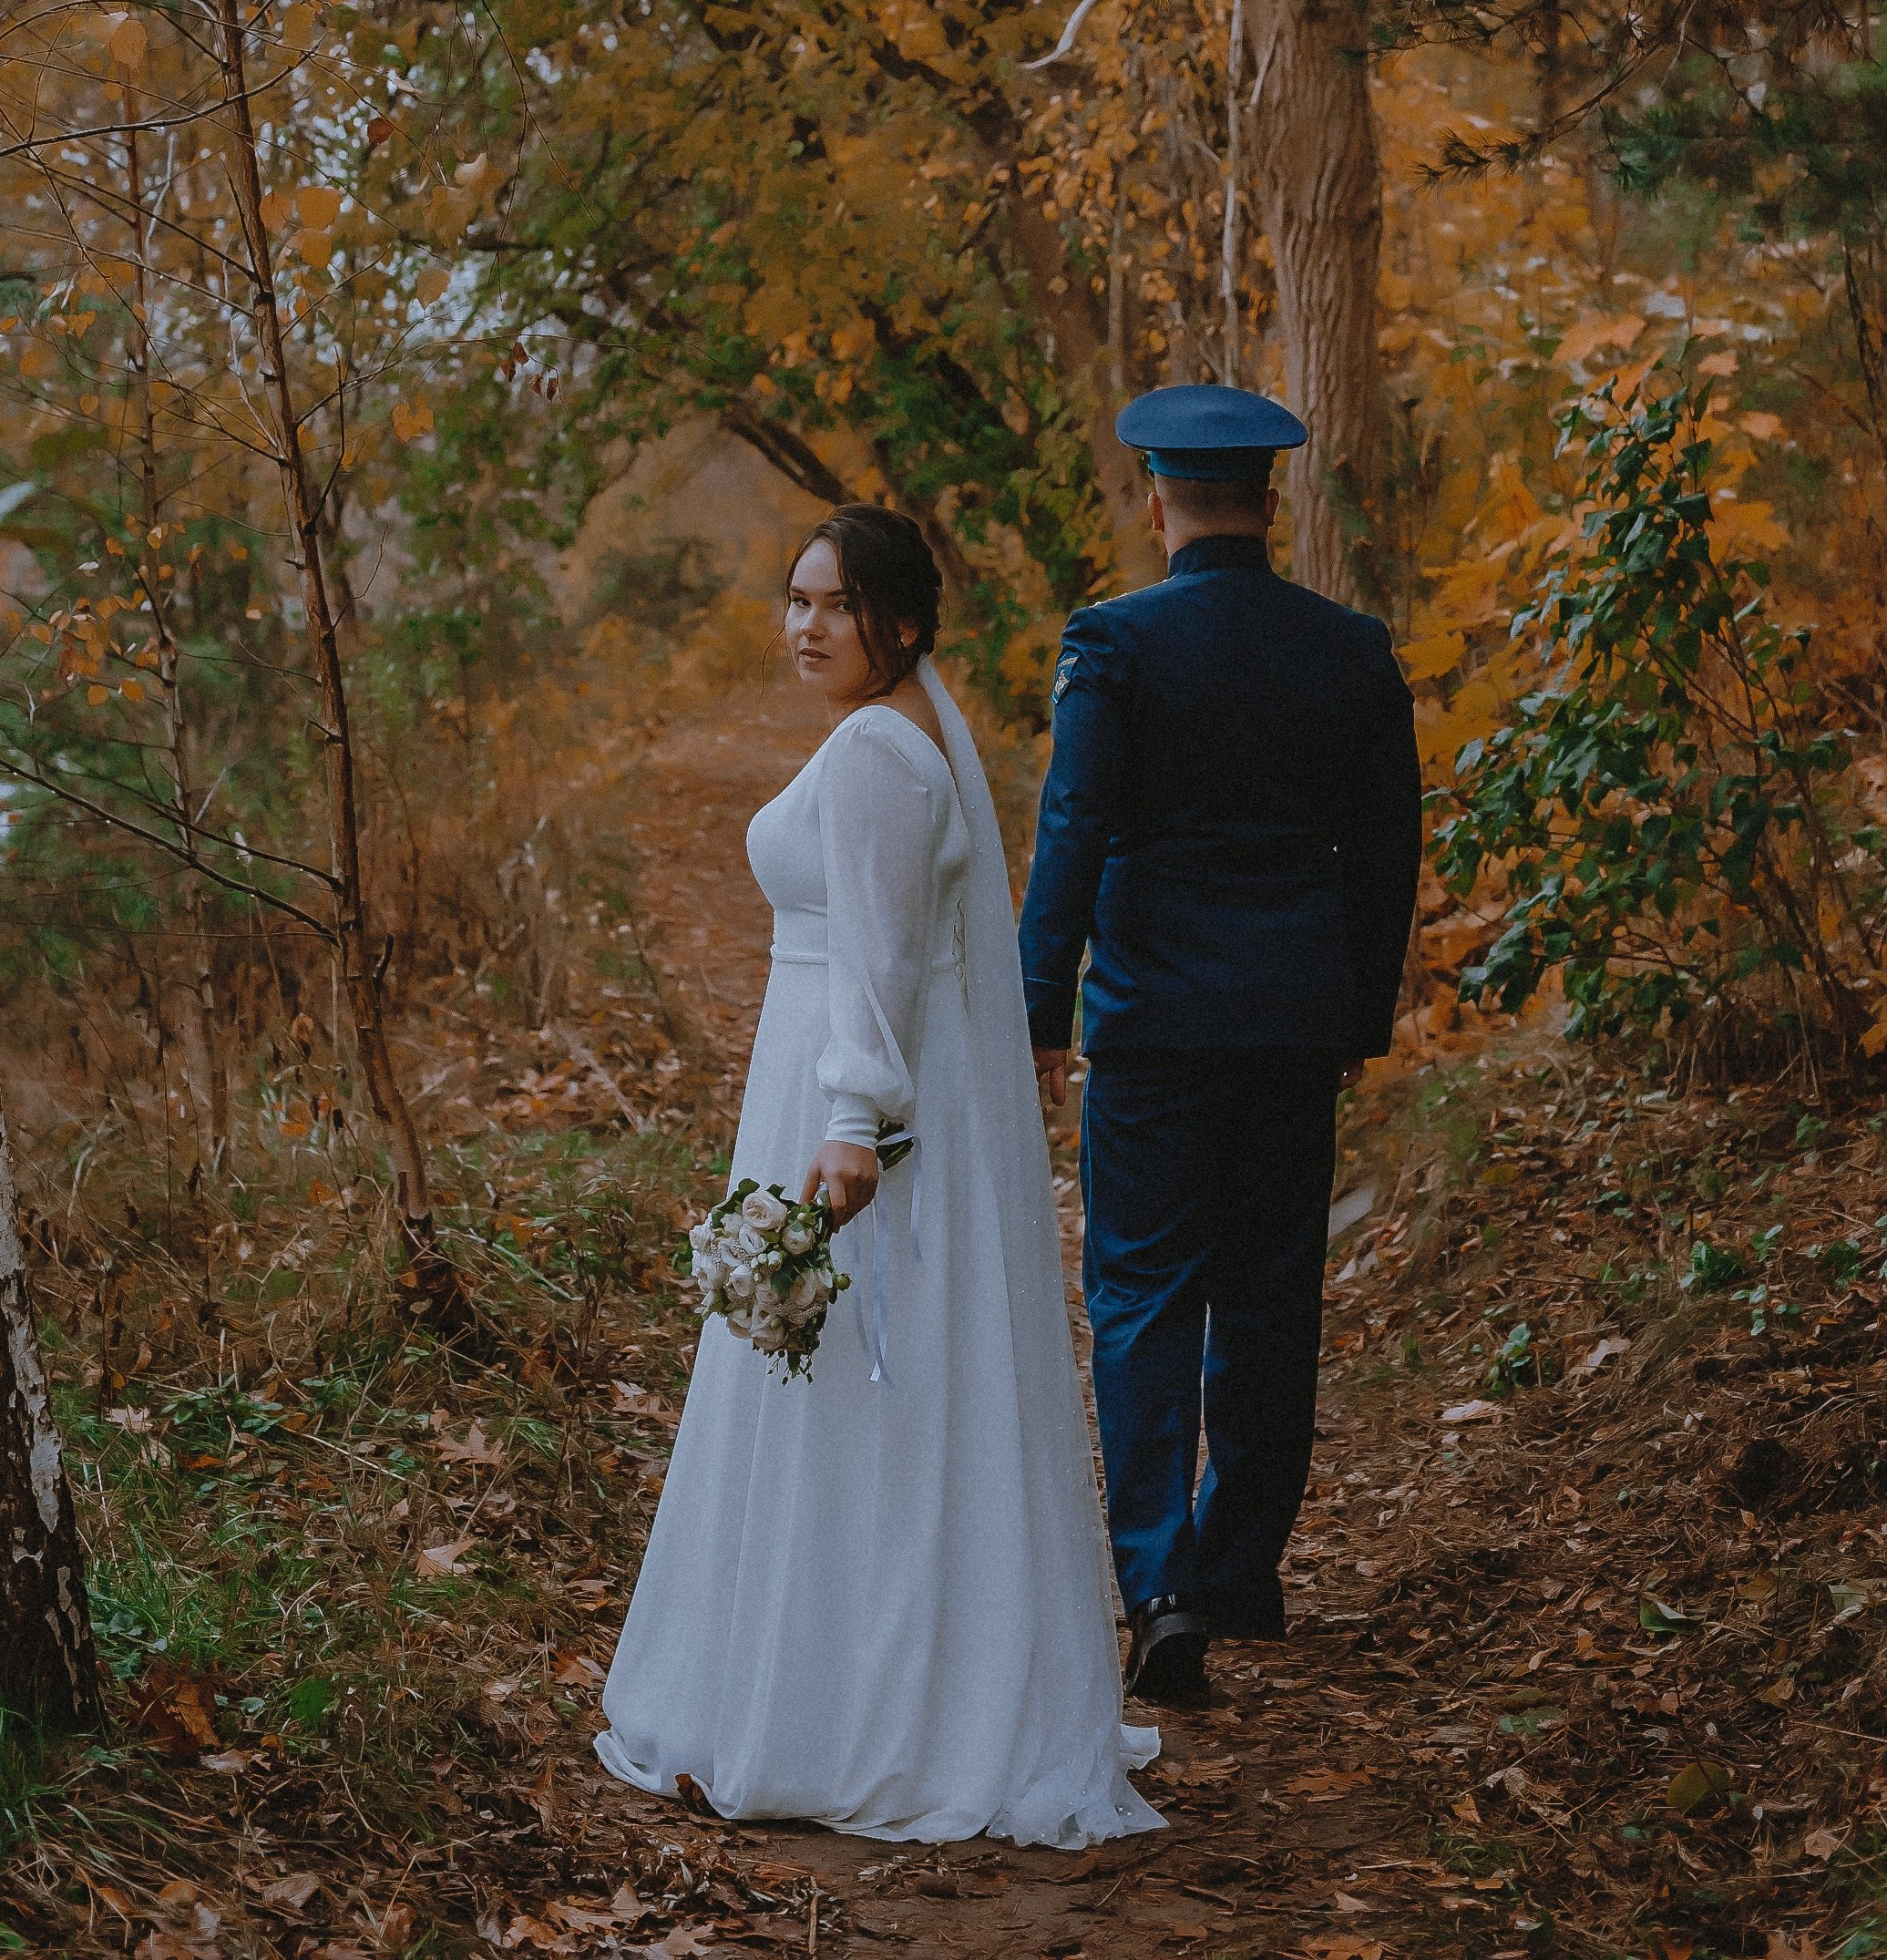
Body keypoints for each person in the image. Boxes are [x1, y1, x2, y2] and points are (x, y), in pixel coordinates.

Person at [598, 503, 1160, 1847]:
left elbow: (882, 961)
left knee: (854, 1388)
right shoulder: (912, 728)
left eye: (836, 605)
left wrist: (852, 1125)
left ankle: (859, 1714)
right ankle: (877, 1683)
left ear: (898, 621)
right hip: (850, 1082)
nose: (807, 627)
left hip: (849, 1099)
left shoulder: (875, 754)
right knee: (872, 1396)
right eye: (796, 601)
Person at [1016, 385, 1422, 1708]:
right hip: (1294, 1018)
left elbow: (1073, 828)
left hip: (1152, 1025)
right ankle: (1241, 1567)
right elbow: (1389, 851)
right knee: (1269, 1291)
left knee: (1141, 1293)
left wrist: (1037, 1010)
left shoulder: (1114, 642)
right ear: (1269, 501)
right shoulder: (1350, 650)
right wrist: (1358, 1014)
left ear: (1158, 504)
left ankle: (1162, 1588)